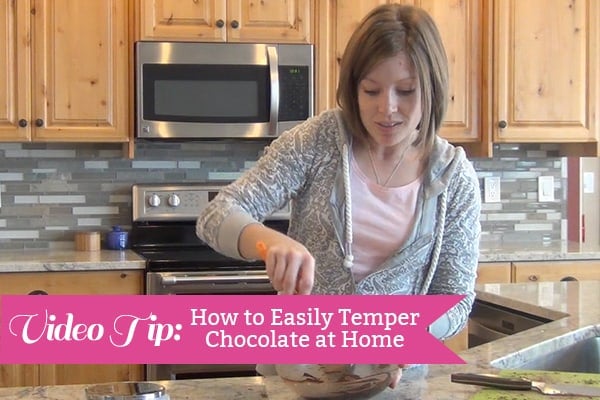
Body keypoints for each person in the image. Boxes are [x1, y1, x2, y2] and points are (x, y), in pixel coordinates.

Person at [196, 3, 481, 385]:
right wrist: (265, 241)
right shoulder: (318, 141)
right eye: (371, 90)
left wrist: (411, 338)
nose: (387, 109)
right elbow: (216, 216)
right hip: (300, 378)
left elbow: (456, 297)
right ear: (353, 88)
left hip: (393, 383)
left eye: (406, 91)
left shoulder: (453, 175)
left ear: (432, 88)